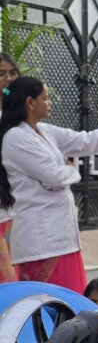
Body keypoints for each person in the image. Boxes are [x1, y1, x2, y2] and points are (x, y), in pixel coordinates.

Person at [1, 77, 98, 292]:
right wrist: (72, 169)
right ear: (30, 102)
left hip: (62, 238)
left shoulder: (45, 131)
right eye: (45, 98)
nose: (49, 102)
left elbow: (87, 141)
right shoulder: (15, 138)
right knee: (53, 304)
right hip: (41, 244)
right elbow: (54, 177)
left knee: (72, 302)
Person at [0, 55, 20, 284]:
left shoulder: (22, 114)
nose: (8, 78)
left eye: (12, 73)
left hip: (20, 207)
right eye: (2, 73)